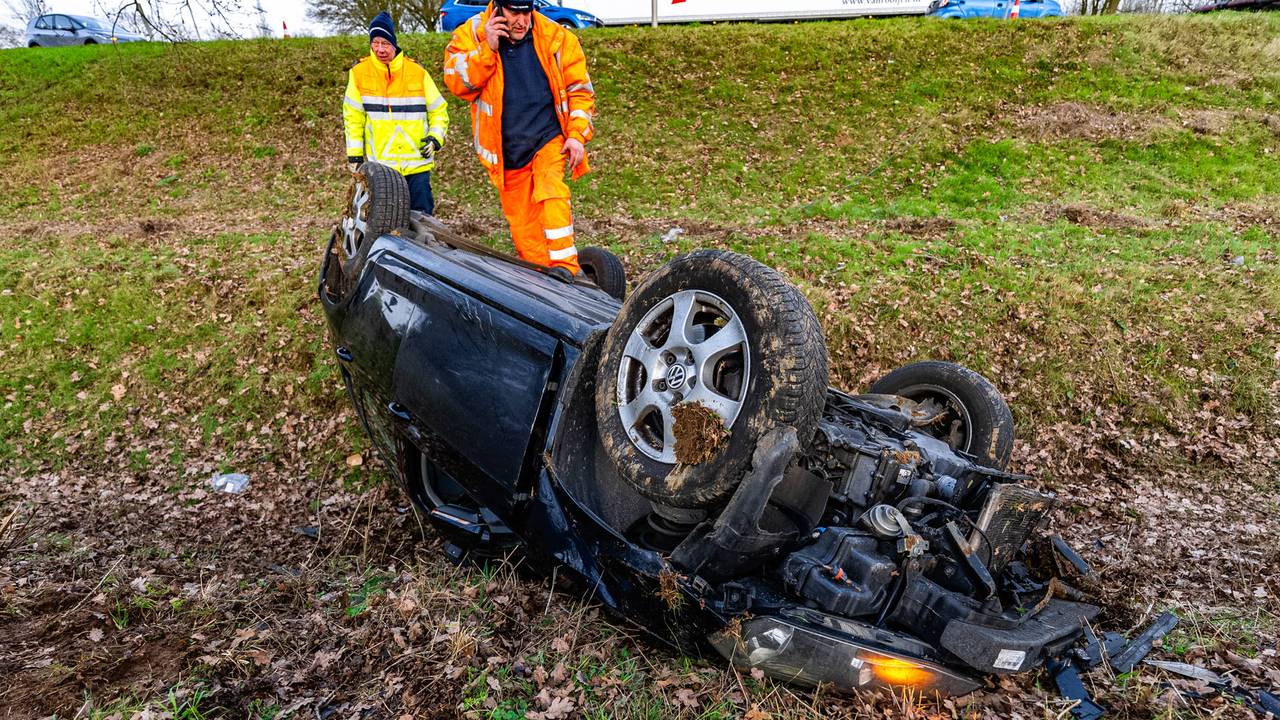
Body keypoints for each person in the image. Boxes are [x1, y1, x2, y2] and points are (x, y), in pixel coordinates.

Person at [443, 0, 596, 274]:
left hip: (548, 139)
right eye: (515, 12)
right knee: (524, 229)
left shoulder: (556, 36)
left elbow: (580, 91)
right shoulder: (472, 33)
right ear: (498, 8)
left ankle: (566, 268)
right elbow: (456, 82)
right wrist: (487, 49)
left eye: (527, 12)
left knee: (551, 192)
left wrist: (576, 136)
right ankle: (543, 278)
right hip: (507, 153)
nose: (522, 21)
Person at [343, 11, 449, 215]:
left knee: (423, 220)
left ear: (394, 43)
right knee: (385, 222)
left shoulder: (417, 72)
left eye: (385, 43)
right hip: (382, 169)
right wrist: (355, 156)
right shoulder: (358, 74)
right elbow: (353, 119)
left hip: (417, 164)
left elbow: (438, 110)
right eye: (375, 43)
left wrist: (435, 138)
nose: (380, 49)